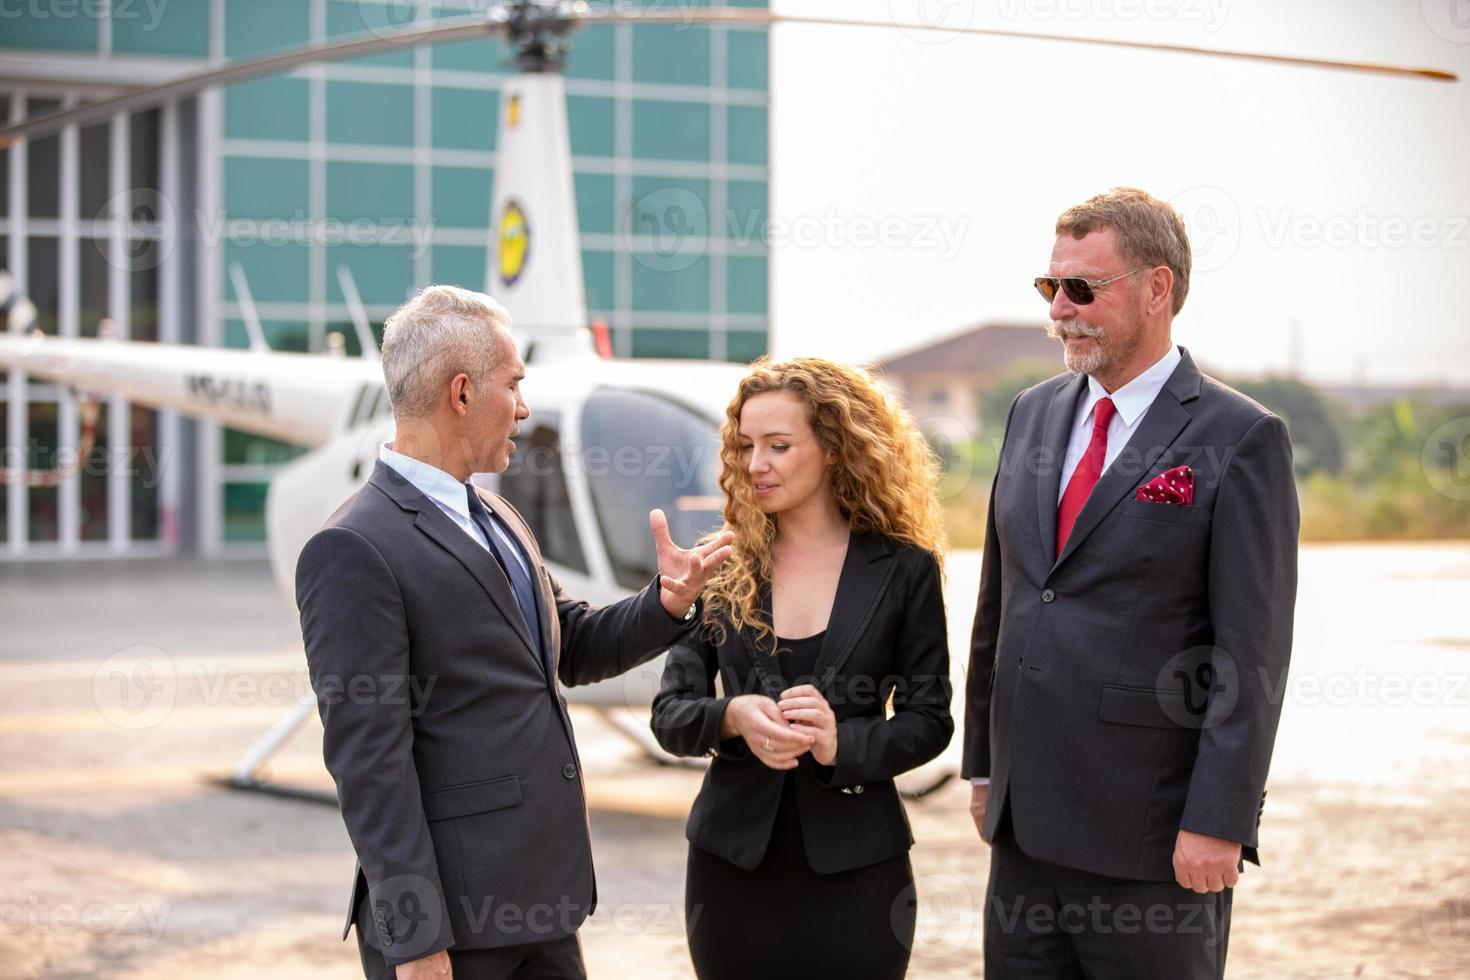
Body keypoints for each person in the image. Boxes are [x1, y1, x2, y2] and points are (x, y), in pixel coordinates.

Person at [295, 285, 734, 980]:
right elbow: (369, 763)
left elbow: (574, 646)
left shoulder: (497, 515)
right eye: (515, 384)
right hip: (452, 930)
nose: (524, 408)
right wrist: (414, 943)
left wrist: (668, 603)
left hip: (541, 909)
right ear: (463, 393)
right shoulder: (353, 546)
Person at [962, 188, 1299, 978]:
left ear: (1158, 289)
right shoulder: (1030, 414)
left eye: (1083, 289)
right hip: (1023, 836)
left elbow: (1251, 650)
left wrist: (1220, 820)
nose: (1061, 311)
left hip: (1153, 845)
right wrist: (984, 767)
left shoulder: (1240, 437)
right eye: (1052, 288)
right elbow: (1000, 603)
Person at [651, 356, 953, 980]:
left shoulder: (904, 570)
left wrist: (844, 740)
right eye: (745, 446)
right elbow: (670, 714)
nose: (755, 464)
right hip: (730, 869)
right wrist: (730, 716)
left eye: (778, 446)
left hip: (860, 873)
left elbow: (930, 720)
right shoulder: (721, 566)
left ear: (835, 449)